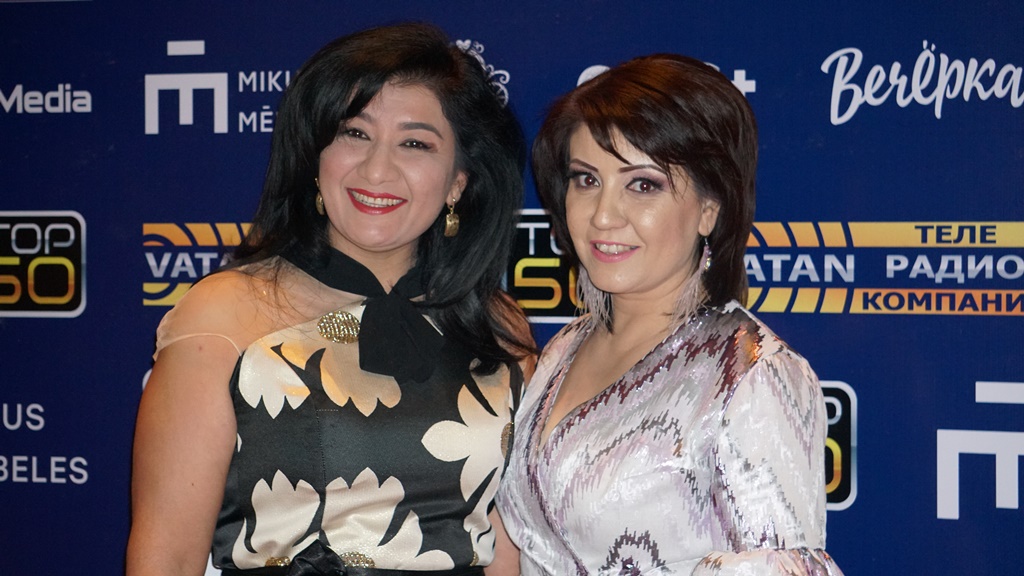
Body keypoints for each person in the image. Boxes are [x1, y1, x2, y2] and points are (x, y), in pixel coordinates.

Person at [127, 22, 534, 576]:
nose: (377, 169)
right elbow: (167, 555)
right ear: (316, 159)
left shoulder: (497, 325)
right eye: (354, 134)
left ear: (458, 181)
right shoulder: (224, 312)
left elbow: (506, 547)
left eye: (415, 143)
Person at [495, 54, 844, 575]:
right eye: (586, 180)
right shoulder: (564, 348)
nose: (603, 216)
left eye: (643, 185)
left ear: (710, 208)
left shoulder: (752, 375)